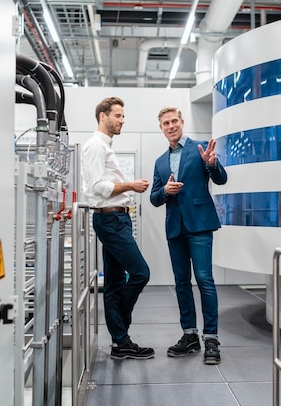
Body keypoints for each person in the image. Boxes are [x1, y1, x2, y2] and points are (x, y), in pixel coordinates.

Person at [150, 107, 228, 365]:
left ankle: (212, 339)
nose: (171, 126)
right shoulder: (160, 162)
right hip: (175, 228)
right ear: (161, 128)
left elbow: (221, 179)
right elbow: (154, 197)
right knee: (181, 282)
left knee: (205, 280)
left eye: (174, 121)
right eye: (165, 123)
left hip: (200, 225)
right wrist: (167, 192)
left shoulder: (201, 148)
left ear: (182, 123)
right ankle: (189, 335)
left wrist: (212, 164)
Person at [81, 96, 154, 360]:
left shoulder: (105, 146)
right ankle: (121, 325)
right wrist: (131, 186)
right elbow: (97, 187)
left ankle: (120, 342)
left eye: (123, 116)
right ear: (103, 116)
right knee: (140, 273)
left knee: (112, 283)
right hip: (110, 220)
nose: (122, 120)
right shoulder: (95, 146)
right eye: (118, 115)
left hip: (116, 219)